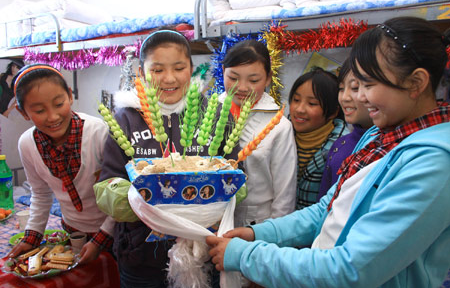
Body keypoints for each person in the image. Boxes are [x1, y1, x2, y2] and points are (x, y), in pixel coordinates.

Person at [206, 16, 450, 288]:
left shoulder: (434, 162)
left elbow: (352, 269)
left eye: (368, 85)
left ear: (416, 83)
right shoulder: (380, 135)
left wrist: (247, 255)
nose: (358, 97)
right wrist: (257, 234)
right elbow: (328, 209)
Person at [97, 30, 240, 288]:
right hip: (141, 258)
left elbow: (236, 176)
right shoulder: (125, 120)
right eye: (158, 70)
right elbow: (107, 185)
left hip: (206, 252)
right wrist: (147, 198)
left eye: (179, 67)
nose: (169, 78)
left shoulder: (216, 115)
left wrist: (217, 192)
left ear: (191, 69)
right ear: (141, 73)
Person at [8, 64, 114, 265]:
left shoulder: (97, 132)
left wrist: (101, 239)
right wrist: (32, 237)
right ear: (22, 112)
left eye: (59, 104)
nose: (53, 116)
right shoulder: (27, 144)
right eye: (39, 110)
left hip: (111, 231)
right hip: (72, 232)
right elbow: (40, 194)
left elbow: (120, 195)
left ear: (70, 95)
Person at [220, 39, 297, 228]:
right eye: (233, 78)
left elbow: (284, 193)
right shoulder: (207, 114)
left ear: (268, 78)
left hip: (257, 223)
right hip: (212, 219)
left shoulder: (279, 126)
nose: (243, 87)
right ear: (223, 71)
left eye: (254, 80)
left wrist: (274, 236)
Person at [289, 68, 348, 209]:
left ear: (333, 112)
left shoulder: (342, 147)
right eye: (296, 100)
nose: (300, 109)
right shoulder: (280, 133)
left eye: (312, 104)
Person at [317, 59, 373, 200]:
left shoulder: (388, 145)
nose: (344, 98)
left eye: (355, 88)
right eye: (341, 89)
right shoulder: (340, 145)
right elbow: (324, 205)